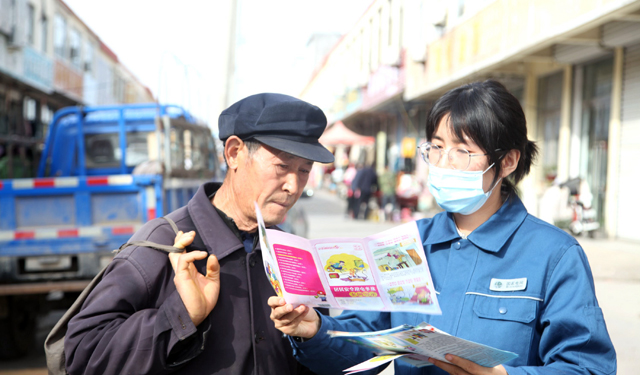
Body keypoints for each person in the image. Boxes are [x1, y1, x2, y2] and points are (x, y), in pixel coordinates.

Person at [269, 80, 616, 375]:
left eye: (462, 152)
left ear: (507, 162)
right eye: (436, 148)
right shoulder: (407, 244)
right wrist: (314, 330)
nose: (443, 164)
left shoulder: (554, 255)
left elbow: (588, 366)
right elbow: (362, 344)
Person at [64, 93, 334, 375]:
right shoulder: (164, 245)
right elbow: (84, 353)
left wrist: (313, 336)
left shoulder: (293, 256)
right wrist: (181, 316)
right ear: (233, 153)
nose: (294, 186)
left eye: (304, 170)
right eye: (282, 166)